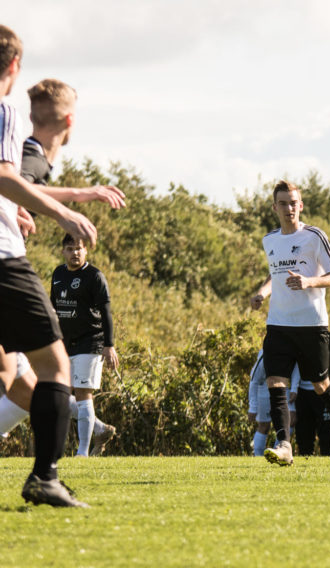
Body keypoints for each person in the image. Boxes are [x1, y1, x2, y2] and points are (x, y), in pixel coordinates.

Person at [0, 25, 98, 507]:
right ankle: (45, 477)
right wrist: (64, 211)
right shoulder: (5, 110)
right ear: (14, 67)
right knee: (54, 364)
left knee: (9, 376)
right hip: (1, 258)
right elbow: (6, 175)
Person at [0, 77, 125, 450]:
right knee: (43, 371)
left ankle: (83, 428)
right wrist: (67, 206)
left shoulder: (26, 151)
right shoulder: (32, 153)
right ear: (70, 121)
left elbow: (16, 185)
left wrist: (29, 205)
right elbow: (12, 180)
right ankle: (47, 475)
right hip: (6, 264)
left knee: (18, 381)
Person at [249, 180, 330, 467]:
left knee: (321, 385)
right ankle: (284, 444)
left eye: (293, 202)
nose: (289, 208)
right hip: (278, 324)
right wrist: (261, 293)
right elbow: (276, 274)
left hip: (311, 325)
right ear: (274, 208)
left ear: (301, 205)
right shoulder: (269, 240)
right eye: (283, 203)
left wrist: (309, 281)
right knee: (275, 383)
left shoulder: (314, 237)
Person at [49, 234, 118, 457]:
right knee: (57, 394)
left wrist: (109, 345)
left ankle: (82, 453)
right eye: (70, 249)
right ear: (63, 251)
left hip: (91, 342)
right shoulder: (58, 274)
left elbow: (106, 312)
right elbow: (53, 308)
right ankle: (99, 429)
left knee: (82, 394)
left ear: (86, 250)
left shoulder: (94, 276)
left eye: (79, 248)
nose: (75, 253)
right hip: (65, 344)